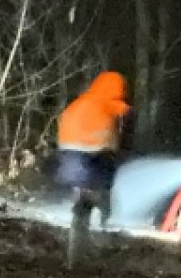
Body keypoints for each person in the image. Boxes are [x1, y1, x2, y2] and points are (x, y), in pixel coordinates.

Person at [55, 71, 131, 267]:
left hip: (69, 162)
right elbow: (114, 135)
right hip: (93, 161)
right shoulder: (105, 105)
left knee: (80, 213)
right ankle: (107, 240)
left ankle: (75, 259)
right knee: (104, 205)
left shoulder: (79, 104)